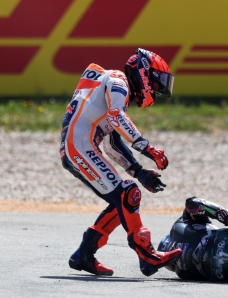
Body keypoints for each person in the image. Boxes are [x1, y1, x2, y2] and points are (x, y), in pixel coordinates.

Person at [60, 48, 181, 277]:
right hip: (79, 146)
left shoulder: (112, 88)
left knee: (122, 200)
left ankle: (83, 255)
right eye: (155, 85)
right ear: (144, 73)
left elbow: (112, 144)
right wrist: (148, 148)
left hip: (79, 146)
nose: (154, 91)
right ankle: (147, 255)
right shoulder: (118, 80)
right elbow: (116, 116)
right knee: (128, 194)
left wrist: (139, 172)